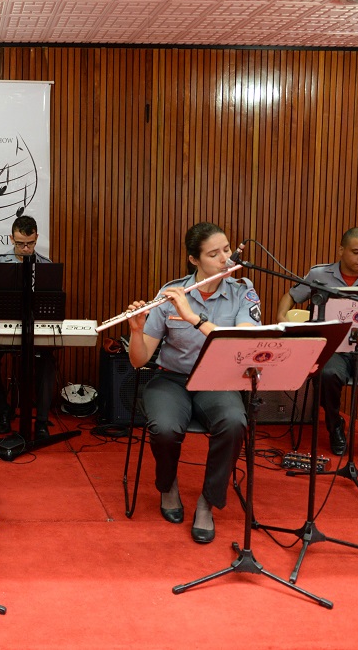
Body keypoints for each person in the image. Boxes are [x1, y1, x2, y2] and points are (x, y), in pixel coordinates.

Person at [126, 222, 260, 544]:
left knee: (233, 422)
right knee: (164, 427)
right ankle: (168, 484)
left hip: (218, 380)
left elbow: (241, 344)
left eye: (226, 250)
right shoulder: (170, 293)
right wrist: (135, 329)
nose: (225, 259)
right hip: (171, 378)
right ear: (194, 260)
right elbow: (138, 360)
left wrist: (193, 318)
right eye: (214, 254)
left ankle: (207, 502)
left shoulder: (243, 291)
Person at [275, 227, 358, 477]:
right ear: (341, 250)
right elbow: (291, 296)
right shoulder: (319, 274)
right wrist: (282, 317)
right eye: (356, 252)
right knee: (326, 374)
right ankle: (335, 423)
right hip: (334, 347)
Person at [0, 215, 56, 439]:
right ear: (12, 238)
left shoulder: (46, 266)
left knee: (47, 361)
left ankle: (40, 422)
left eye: (30, 243)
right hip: (4, 326)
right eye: (20, 244)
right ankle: (2, 412)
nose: (25, 248)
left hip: (36, 328)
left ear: (36, 238)